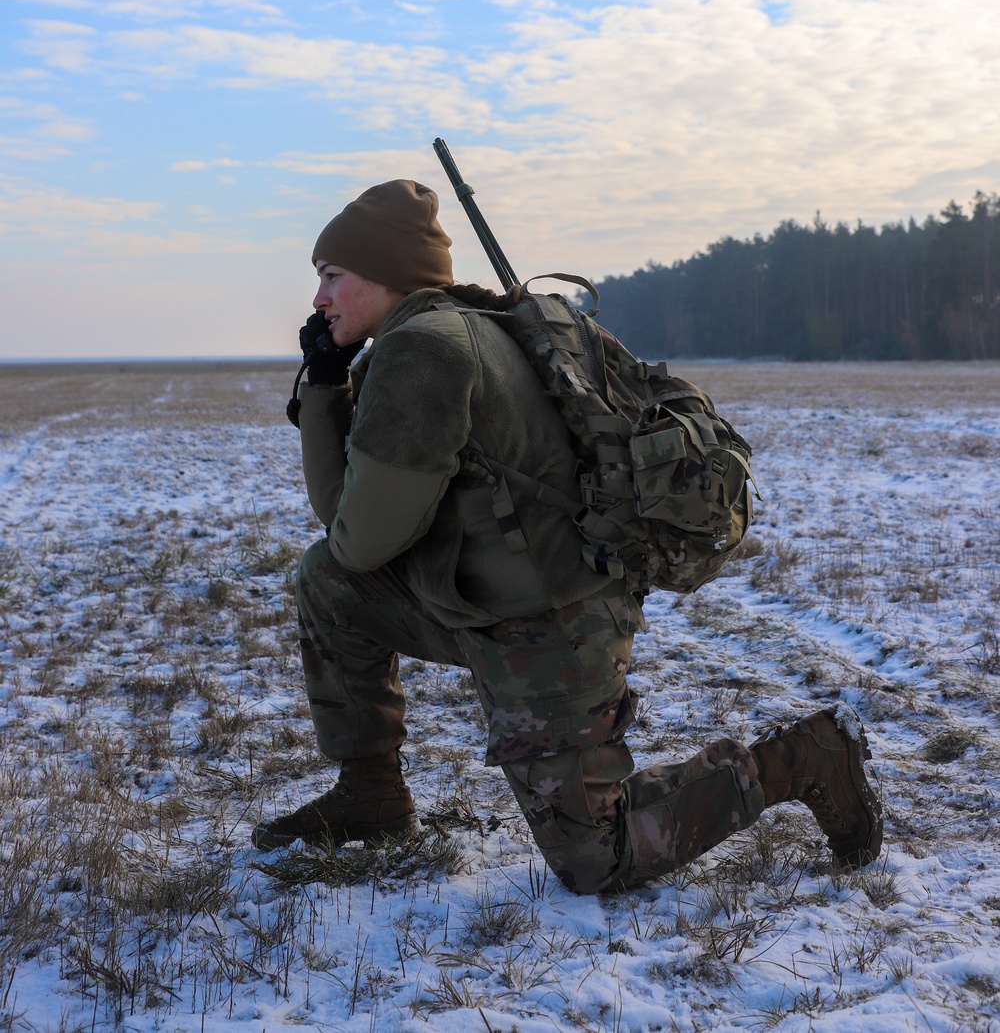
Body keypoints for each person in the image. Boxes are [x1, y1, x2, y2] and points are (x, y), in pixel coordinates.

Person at [252, 179, 883, 893]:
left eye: (332, 277)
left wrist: (325, 390)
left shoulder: (421, 352)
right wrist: (332, 382)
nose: (318, 299)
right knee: (330, 582)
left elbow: (358, 534)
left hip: (550, 627)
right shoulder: (455, 329)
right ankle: (371, 796)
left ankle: (804, 758)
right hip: (488, 604)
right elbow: (352, 549)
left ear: (389, 275)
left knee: (597, 858)